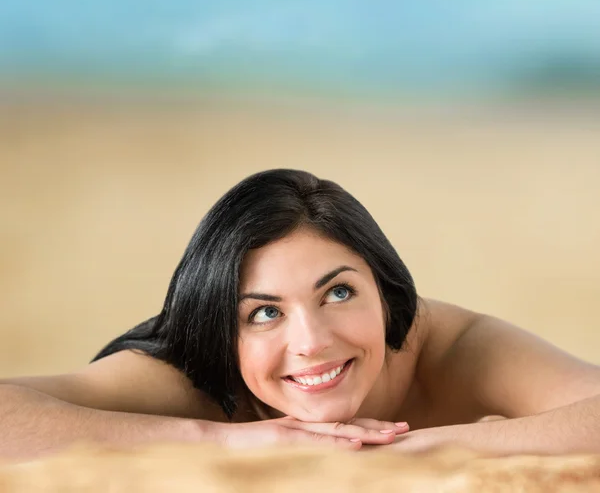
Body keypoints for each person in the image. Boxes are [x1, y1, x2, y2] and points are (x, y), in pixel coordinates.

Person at [1, 169, 599, 460]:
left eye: (338, 293)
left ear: (387, 293)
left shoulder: (449, 344)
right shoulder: (190, 375)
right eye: (263, 313)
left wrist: (426, 447)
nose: (311, 342)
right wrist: (222, 439)